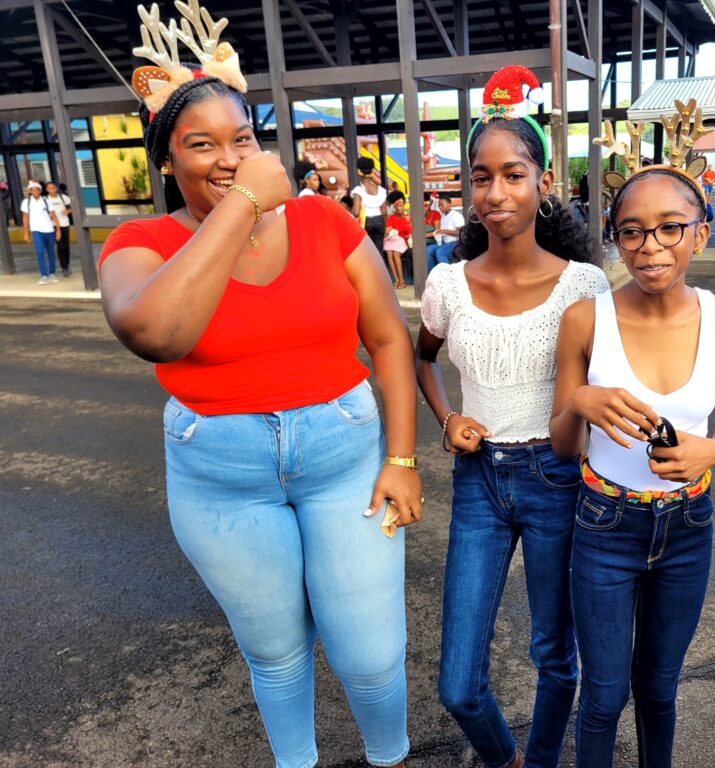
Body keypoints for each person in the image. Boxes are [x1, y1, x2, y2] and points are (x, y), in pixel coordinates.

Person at [97, 7, 420, 766]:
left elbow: (387, 340)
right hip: (221, 475)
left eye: (241, 139)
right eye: (201, 144)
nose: (229, 157)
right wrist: (243, 203)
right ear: (165, 160)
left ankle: (392, 756)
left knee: (371, 654)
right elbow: (156, 333)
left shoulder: (324, 221)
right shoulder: (140, 243)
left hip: (344, 456)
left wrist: (402, 459)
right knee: (275, 654)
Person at [415, 65, 608, 768]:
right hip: (479, 481)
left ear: (543, 182)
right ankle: (506, 758)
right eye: (480, 177)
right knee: (458, 685)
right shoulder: (447, 284)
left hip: (558, 477)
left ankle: (543, 760)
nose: (494, 193)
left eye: (513, 175)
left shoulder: (582, 286)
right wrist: (446, 419)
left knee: (555, 655)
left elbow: (603, 386)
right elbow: (421, 358)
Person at [549, 161, 715, 767]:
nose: (650, 246)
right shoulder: (587, 319)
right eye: (631, 231)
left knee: (659, 691)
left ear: (701, 233)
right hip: (605, 525)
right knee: (603, 697)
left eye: (670, 227)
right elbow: (562, 445)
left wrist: (713, 449)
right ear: (616, 239)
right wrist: (579, 402)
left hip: (688, 526)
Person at [21, 180, 61, 285]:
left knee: (51, 252)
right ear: (30, 191)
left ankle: (52, 273)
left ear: (40, 191)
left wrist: (58, 230)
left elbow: (53, 216)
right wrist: (26, 233)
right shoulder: (26, 202)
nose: (35, 192)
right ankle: (44, 275)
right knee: (40, 252)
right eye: (33, 190)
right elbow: (25, 218)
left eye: (37, 190)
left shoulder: (46, 201)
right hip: (36, 230)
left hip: (49, 230)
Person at [350, 156, 387, 256]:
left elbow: (356, 212)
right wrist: (385, 227)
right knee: (379, 252)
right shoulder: (381, 190)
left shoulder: (358, 190)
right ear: (372, 171)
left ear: (359, 172)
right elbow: (384, 212)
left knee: (367, 253)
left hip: (366, 222)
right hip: (380, 221)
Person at [44, 181, 73, 278]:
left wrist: (68, 210)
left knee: (66, 245)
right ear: (47, 190)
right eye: (49, 188)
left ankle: (67, 264)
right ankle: (64, 267)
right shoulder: (46, 200)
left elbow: (71, 206)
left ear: (56, 188)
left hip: (65, 223)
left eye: (53, 188)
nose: (52, 190)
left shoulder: (63, 198)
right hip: (54, 225)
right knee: (60, 246)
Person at [383, 196, 411, 288]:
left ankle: (402, 281)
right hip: (393, 240)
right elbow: (388, 231)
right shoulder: (391, 217)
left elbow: (410, 232)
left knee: (395, 254)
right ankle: (396, 280)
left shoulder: (407, 217)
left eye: (402, 205)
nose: (401, 208)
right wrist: (389, 231)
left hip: (403, 241)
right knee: (389, 253)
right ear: (395, 208)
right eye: (399, 206)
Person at [428, 195, 463, 271]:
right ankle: (432, 273)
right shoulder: (443, 216)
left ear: (449, 204)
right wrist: (439, 232)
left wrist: (444, 231)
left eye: (442, 204)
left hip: (455, 242)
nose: (440, 207)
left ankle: (447, 275)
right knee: (428, 250)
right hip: (444, 242)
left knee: (440, 252)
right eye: (439, 205)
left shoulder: (456, 216)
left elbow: (461, 233)